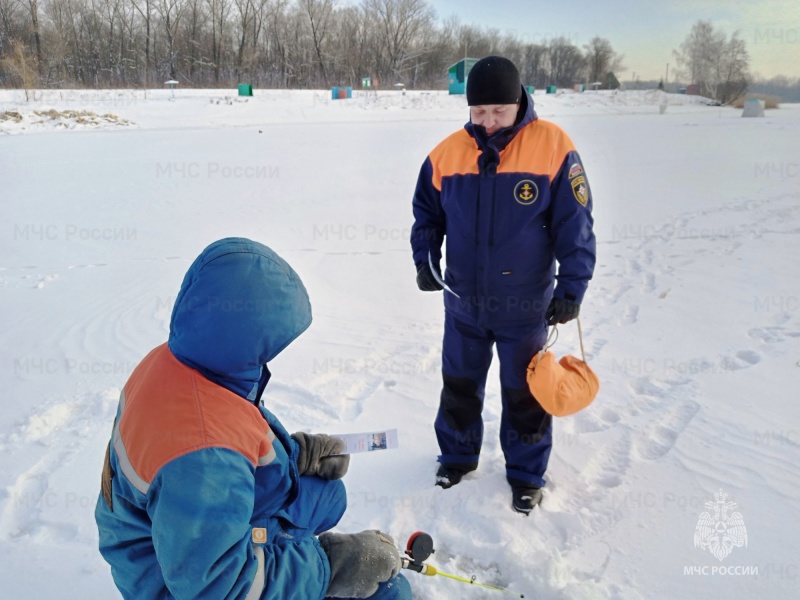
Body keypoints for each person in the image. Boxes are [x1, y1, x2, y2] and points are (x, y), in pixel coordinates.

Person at [95, 237, 412, 599]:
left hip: (183, 526)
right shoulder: (203, 458)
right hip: (174, 580)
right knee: (392, 591)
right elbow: (220, 588)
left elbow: (229, 427)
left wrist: (295, 454)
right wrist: (332, 566)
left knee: (328, 496)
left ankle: (277, 548)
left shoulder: (177, 359)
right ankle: (282, 558)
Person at [410, 56, 596, 514]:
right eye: (479, 112)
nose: (489, 122)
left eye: (499, 112)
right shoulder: (446, 154)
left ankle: (527, 475)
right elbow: (427, 216)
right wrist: (425, 258)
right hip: (464, 304)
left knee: (525, 394)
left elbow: (576, 225)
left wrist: (572, 287)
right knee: (458, 385)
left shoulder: (554, 146)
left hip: (525, 306)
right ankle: (455, 457)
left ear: (519, 103)